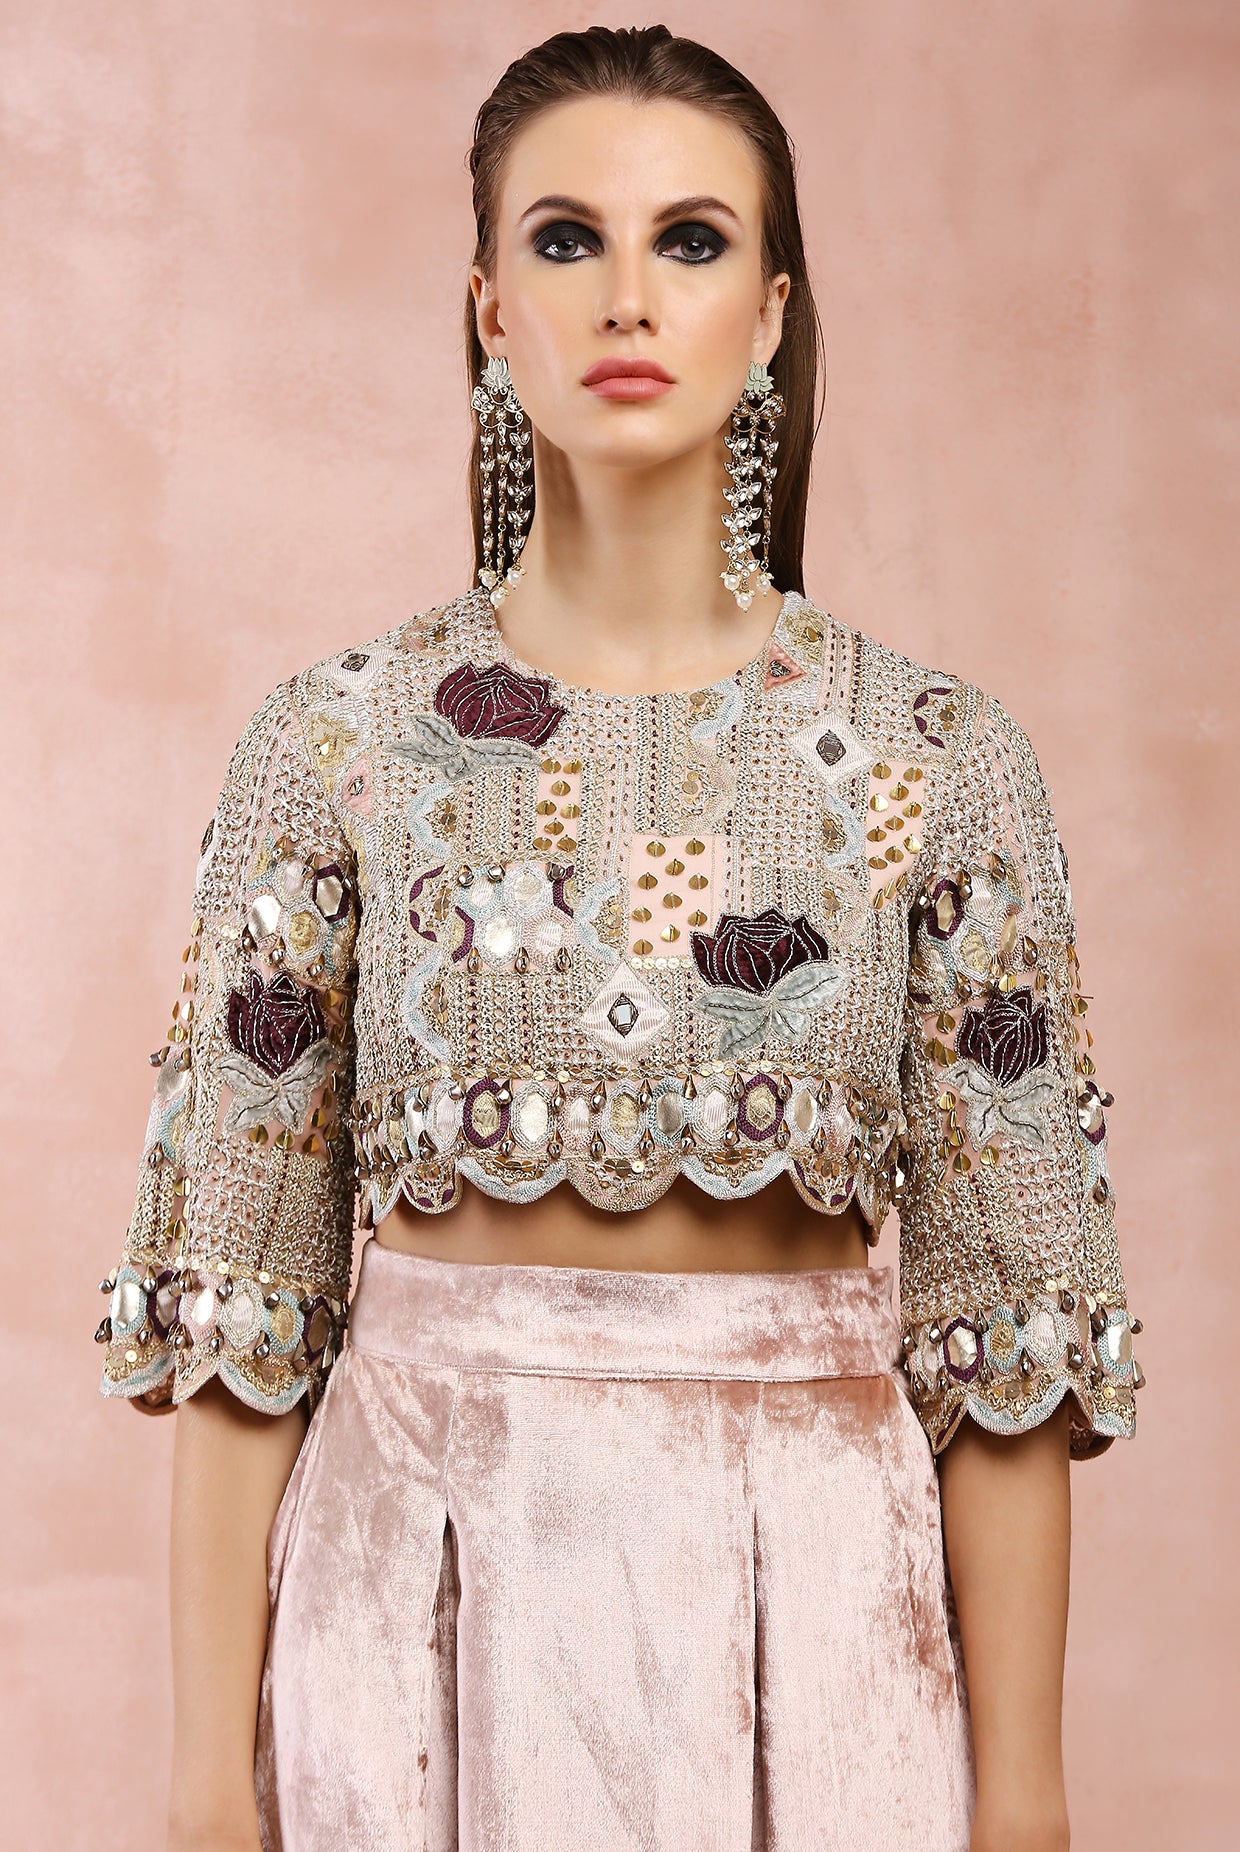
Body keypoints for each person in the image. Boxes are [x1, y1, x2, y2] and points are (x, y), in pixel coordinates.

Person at [92, 25, 1142, 1852]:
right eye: (567, 238)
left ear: (773, 315)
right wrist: (202, 1792)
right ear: (489, 310)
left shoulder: (938, 759)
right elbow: (247, 1308)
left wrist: (1028, 1801)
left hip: (821, 1602)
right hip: (412, 1587)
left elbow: (1008, 1339)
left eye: (694, 239)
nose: (628, 295)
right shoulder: (336, 747)